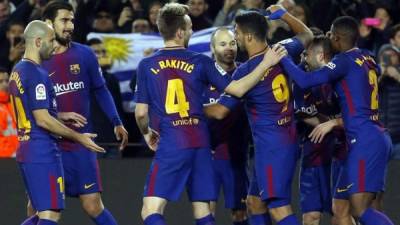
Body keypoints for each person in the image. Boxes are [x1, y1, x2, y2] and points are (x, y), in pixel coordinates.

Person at [134, 3, 286, 225]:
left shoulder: (147, 65)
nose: (192, 31)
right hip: (201, 143)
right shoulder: (202, 61)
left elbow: (140, 113)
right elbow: (238, 89)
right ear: (179, 32)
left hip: (172, 142)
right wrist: (266, 64)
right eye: (189, 28)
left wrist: (147, 133)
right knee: (203, 211)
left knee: (150, 210)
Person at [279, 16, 394, 225]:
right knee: (340, 207)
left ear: (338, 38)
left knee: (361, 211)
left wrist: (283, 57)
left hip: (364, 139)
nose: (328, 36)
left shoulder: (343, 60)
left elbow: (305, 80)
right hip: (370, 135)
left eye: (330, 34)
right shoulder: (367, 58)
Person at [203, 5, 313, 225]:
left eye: (237, 32)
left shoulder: (246, 71)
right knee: (254, 202)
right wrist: (284, 14)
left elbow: (219, 111)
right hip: (282, 139)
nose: (236, 37)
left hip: (273, 146)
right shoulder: (282, 50)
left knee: (278, 207)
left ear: (249, 36)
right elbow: (307, 35)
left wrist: (188, 107)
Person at [25, 2, 129, 225]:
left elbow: (100, 89)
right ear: (47, 23)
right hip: (49, 144)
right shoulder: (36, 62)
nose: (70, 25)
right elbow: (29, 108)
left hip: (81, 144)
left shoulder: (84, 54)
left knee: (93, 204)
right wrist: (58, 115)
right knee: (38, 209)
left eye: (72, 20)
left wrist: (116, 121)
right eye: (64, 20)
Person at [9, 20, 104, 225]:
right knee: (50, 215)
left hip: (26, 148)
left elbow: (30, 110)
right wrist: (79, 137)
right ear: (37, 41)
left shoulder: (18, 70)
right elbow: (43, 120)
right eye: (51, 40)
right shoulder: (36, 74)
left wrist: (59, 115)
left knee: (38, 215)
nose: (55, 45)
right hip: (43, 151)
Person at [292, 35, 352, 225]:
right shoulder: (301, 80)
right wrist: (324, 122)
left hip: (341, 155)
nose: (303, 58)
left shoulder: (342, 78)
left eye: (307, 53)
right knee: (311, 216)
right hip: (313, 154)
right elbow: (301, 112)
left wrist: (332, 123)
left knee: (341, 214)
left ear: (320, 56)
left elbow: (355, 117)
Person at [205, 27, 250, 225]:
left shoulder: (247, 74)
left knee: (240, 214)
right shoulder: (202, 76)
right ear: (212, 48)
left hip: (236, 156)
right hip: (207, 156)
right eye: (222, 44)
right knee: (205, 213)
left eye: (232, 43)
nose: (229, 48)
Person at [0, 66, 18, 158]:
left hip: (15, 156)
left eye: (7, 81)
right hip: (3, 158)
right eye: (0, 81)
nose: (5, 85)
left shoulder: (13, 104)